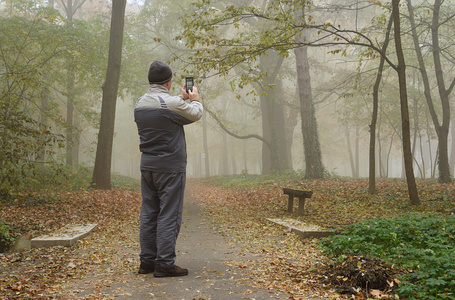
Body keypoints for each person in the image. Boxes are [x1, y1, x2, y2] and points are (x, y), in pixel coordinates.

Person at [134, 60, 203, 277]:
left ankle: (146, 262)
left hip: (148, 166)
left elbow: (167, 108)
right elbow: (194, 114)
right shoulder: (170, 103)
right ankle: (164, 264)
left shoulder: (140, 103)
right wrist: (194, 99)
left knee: (149, 213)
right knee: (169, 214)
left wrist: (181, 98)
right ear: (169, 82)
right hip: (170, 168)